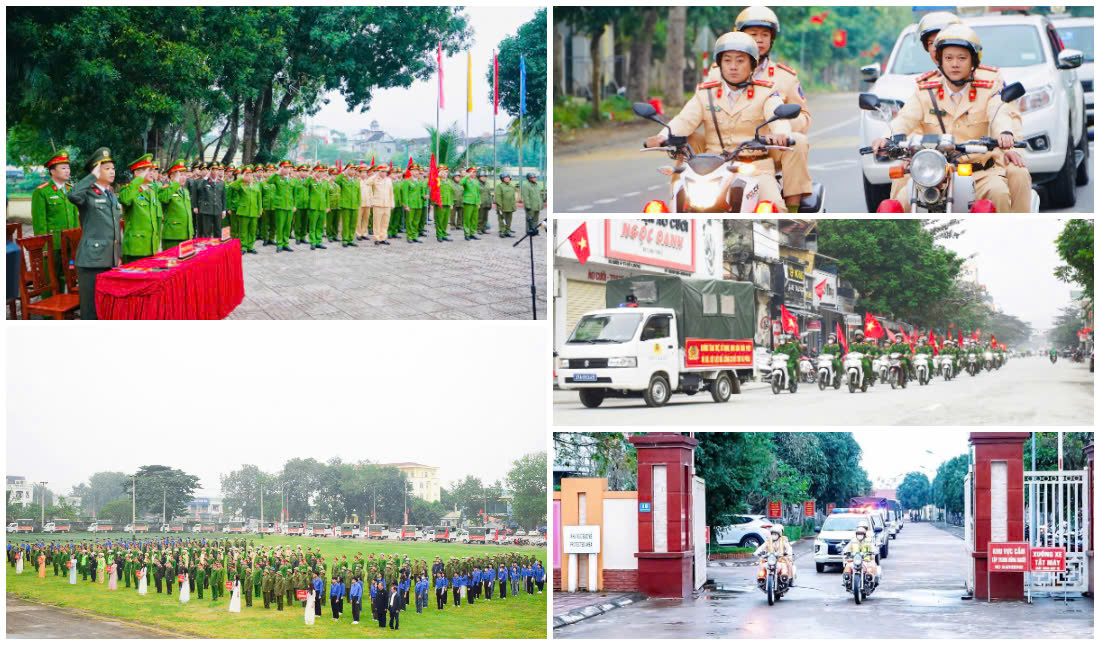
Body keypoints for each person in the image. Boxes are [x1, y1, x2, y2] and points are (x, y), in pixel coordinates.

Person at [646, 32, 806, 213]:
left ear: (752, 64)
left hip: (755, 169)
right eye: (727, 60)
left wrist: (781, 134)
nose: (733, 67)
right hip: (711, 169)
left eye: (740, 61)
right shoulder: (706, 93)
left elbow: (778, 115)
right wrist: (662, 136)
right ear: (720, 64)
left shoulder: (767, 91)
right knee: (675, 209)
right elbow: (685, 119)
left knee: (774, 210)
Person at [871, 24, 1025, 213]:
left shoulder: (989, 87)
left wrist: (1004, 134)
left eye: (962, 58)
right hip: (934, 174)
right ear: (940, 61)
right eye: (948, 58)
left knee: (999, 193)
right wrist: (887, 137)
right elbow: (905, 117)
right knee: (903, 200)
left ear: (973, 61)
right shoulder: (925, 91)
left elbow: (999, 112)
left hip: (980, 173)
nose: (955, 64)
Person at [728, 6, 812, 211]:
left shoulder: (785, 77)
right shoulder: (720, 73)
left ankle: (792, 210)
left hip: (767, 150)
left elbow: (804, 117)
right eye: (753, 34)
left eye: (765, 35)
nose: (759, 40)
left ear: (772, 39)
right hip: (726, 148)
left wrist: (779, 128)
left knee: (799, 141)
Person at [68, 147, 122, 319]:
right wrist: (92, 176)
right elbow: (72, 195)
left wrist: (117, 256)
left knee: (106, 307)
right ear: (96, 170)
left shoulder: (110, 194)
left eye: (113, 168)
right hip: (92, 261)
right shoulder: (87, 193)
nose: (112, 171)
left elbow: (113, 229)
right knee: (91, 311)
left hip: (109, 259)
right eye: (107, 168)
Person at [31, 150, 80, 295]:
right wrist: (43, 246)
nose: (67, 171)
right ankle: (49, 315)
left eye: (68, 167)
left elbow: (75, 217)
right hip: (53, 244)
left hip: (69, 245)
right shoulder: (42, 192)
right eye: (63, 168)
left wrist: (76, 241)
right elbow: (39, 222)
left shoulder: (71, 190)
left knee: (70, 275)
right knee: (51, 278)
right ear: (52, 171)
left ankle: (68, 310)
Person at [158, 160, 195, 252]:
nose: (183, 178)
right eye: (180, 175)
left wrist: (191, 232)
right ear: (171, 176)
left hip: (186, 234)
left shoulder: (185, 191)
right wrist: (175, 184)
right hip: (173, 235)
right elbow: (164, 199)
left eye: (184, 174)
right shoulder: (165, 189)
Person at [268, 161, 297, 252]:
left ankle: (286, 243)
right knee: (280, 226)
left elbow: (295, 194)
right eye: (285, 167)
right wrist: (277, 173)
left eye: (288, 168)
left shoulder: (293, 180)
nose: (287, 169)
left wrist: (295, 205)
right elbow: (269, 181)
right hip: (280, 206)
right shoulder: (277, 178)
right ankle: (279, 243)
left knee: (288, 226)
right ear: (281, 168)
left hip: (289, 206)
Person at [372, 165, 393, 245]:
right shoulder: (375, 179)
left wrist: (392, 203)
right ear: (379, 172)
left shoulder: (389, 180)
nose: (384, 173)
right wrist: (375, 175)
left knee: (385, 223)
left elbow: (391, 193)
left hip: (387, 204)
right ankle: (377, 238)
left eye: (385, 171)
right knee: (377, 222)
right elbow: (367, 182)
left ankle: (383, 238)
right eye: (382, 171)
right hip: (377, 204)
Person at [460, 167, 481, 241]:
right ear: (469, 173)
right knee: (467, 219)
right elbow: (461, 183)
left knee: (474, 219)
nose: (474, 173)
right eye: (472, 172)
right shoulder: (466, 180)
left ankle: (472, 233)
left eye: (475, 172)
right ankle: (467, 234)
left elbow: (478, 192)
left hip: (475, 202)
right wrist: (467, 176)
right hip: (468, 202)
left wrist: (479, 202)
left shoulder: (476, 181)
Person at [434, 166, 454, 242]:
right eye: (442, 172)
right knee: (439, 220)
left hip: (447, 203)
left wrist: (451, 203)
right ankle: (439, 235)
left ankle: (444, 234)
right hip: (440, 203)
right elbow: (433, 187)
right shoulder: (437, 181)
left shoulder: (449, 181)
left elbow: (451, 193)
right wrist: (437, 176)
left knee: (445, 221)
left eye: (446, 172)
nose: (445, 173)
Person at [477, 170, 493, 235]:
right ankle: (479, 229)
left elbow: (489, 194)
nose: (484, 178)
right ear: (479, 177)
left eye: (484, 177)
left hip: (487, 203)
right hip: (480, 203)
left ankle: (483, 229)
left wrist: (490, 202)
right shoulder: (477, 184)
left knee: (485, 217)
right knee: (480, 217)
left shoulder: (487, 184)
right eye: (482, 177)